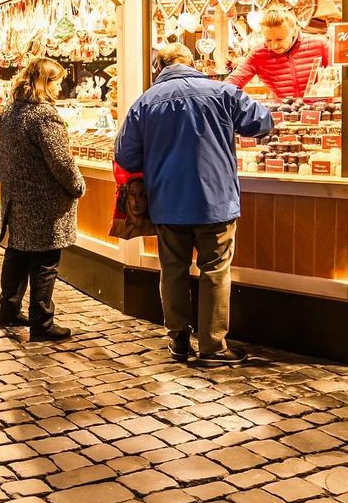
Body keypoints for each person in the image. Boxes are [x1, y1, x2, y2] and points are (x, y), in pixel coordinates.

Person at [115, 42, 273, 366]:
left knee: (172, 270)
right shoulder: (221, 92)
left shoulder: (144, 103)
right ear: (192, 62)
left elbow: (125, 154)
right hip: (215, 200)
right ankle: (213, 347)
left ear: (160, 68)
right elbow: (263, 122)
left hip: (167, 202)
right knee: (215, 270)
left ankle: (178, 341)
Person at [0, 57, 85, 342]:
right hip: (43, 202)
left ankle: (8, 310)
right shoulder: (44, 116)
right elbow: (61, 162)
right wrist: (77, 185)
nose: (60, 87)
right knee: (45, 261)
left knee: (18, 255)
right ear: (43, 83)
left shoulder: (11, 110)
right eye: (56, 81)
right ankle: (42, 322)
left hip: (17, 197)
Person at [227, 6, 331, 100]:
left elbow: (339, 78)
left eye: (279, 39)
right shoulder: (258, 53)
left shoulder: (319, 45)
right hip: (284, 115)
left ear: (294, 31)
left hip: (322, 113)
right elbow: (233, 81)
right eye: (268, 40)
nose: (274, 45)